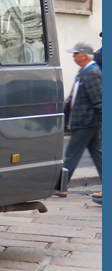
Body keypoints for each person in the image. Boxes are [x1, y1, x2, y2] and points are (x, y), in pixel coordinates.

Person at [56, 41, 101, 204]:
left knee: (71, 154)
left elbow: (99, 100)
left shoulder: (92, 73)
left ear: (84, 55)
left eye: (76, 53)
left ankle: (60, 186)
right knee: (98, 155)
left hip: (86, 122)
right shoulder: (85, 72)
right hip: (86, 121)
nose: (73, 56)